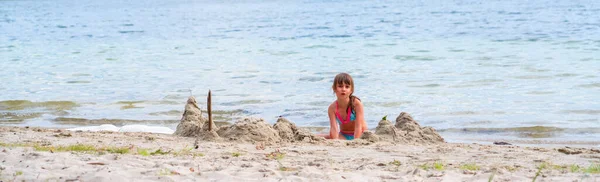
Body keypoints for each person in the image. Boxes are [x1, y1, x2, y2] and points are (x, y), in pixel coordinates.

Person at [324, 73, 367, 140]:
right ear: (334, 88)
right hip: (344, 135)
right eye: (340, 86)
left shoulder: (356, 104)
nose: (343, 89)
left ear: (351, 90)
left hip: (361, 134)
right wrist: (335, 140)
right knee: (321, 137)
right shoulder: (332, 108)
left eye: (347, 87)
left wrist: (356, 141)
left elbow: (359, 126)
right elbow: (334, 128)